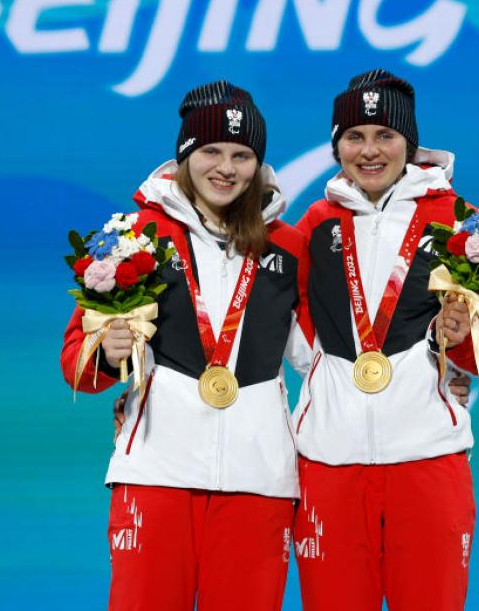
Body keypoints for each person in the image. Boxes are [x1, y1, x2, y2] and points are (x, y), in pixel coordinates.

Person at [60, 81, 306, 611]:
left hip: (258, 480)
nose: (226, 167)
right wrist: (109, 351)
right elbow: (77, 366)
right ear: (184, 155)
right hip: (156, 474)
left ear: (259, 165)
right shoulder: (135, 238)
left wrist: (439, 365)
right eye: (211, 151)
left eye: (242, 155)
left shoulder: (287, 247)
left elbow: (330, 353)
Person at [290, 69, 479, 610]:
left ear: (409, 143)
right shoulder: (315, 225)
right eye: (354, 137)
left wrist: (460, 346)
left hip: (428, 461)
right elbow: (284, 321)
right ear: (335, 146)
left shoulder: (460, 225)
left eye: (385, 136)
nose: (370, 151)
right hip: (329, 463)